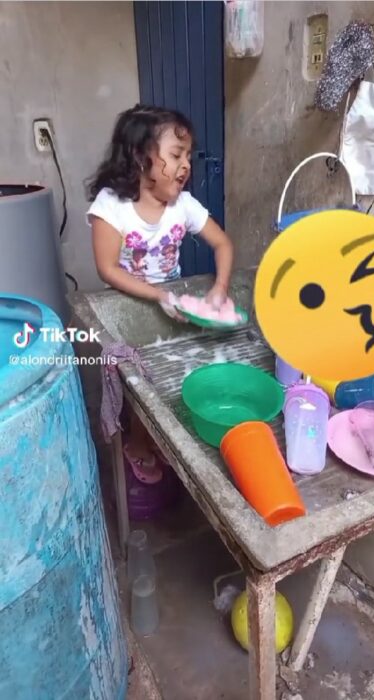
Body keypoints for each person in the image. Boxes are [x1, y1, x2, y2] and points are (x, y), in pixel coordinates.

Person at [86, 103, 234, 483]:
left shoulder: (182, 206)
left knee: (171, 377)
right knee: (139, 385)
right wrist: (159, 297)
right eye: (175, 155)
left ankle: (159, 438)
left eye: (187, 155)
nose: (185, 164)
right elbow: (107, 268)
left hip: (168, 306)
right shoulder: (112, 207)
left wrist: (218, 290)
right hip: (128, 307)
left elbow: (223, 245)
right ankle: (137, 441)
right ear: (141, 157)